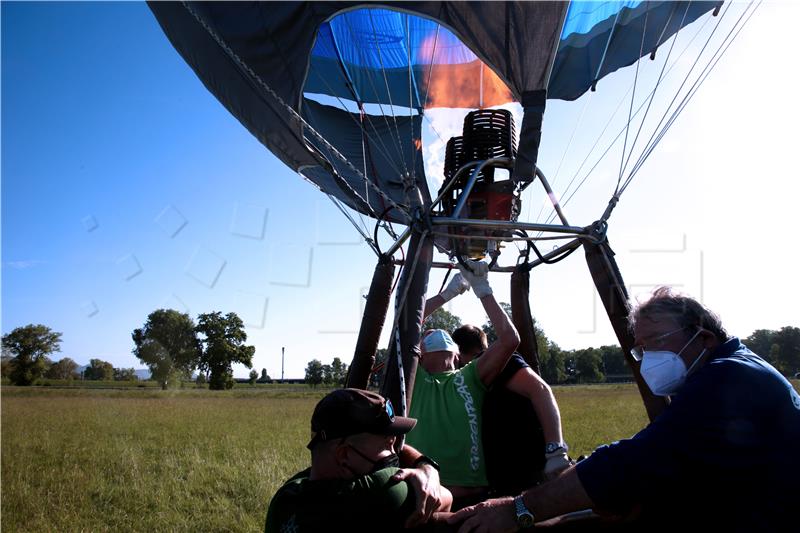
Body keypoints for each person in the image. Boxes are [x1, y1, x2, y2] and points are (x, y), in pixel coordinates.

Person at [448, 286, 800, 532]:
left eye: (655, 343)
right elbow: (680, 464)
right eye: (641, 349)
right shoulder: (727, 368)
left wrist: (518, 509)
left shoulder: (726, 379)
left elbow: (637, 459)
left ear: (703, 337)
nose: (648, 359)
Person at [406, 260, 520, 509]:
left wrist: (483, 289)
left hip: (473, 499)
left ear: (458, 355)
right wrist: (449, 293)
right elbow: (408, 317)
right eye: (427, 332)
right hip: (427, 498)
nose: (435, 331)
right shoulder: (416, 381)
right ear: (419, 354)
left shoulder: (469, 376)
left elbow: (510, 339)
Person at [265, 388, 452, 532]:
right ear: (344, 455)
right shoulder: (383, 492)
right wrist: (426, 466)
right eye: (387, 446)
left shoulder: (286, 497)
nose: (394, 452)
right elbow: (443, 497)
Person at [450, 323, 570, 495]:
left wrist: (555, 451)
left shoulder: (500, 363)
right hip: (504, 477)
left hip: (527, 471)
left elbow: (541, 390)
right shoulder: (468, 377)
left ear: (458, 353)